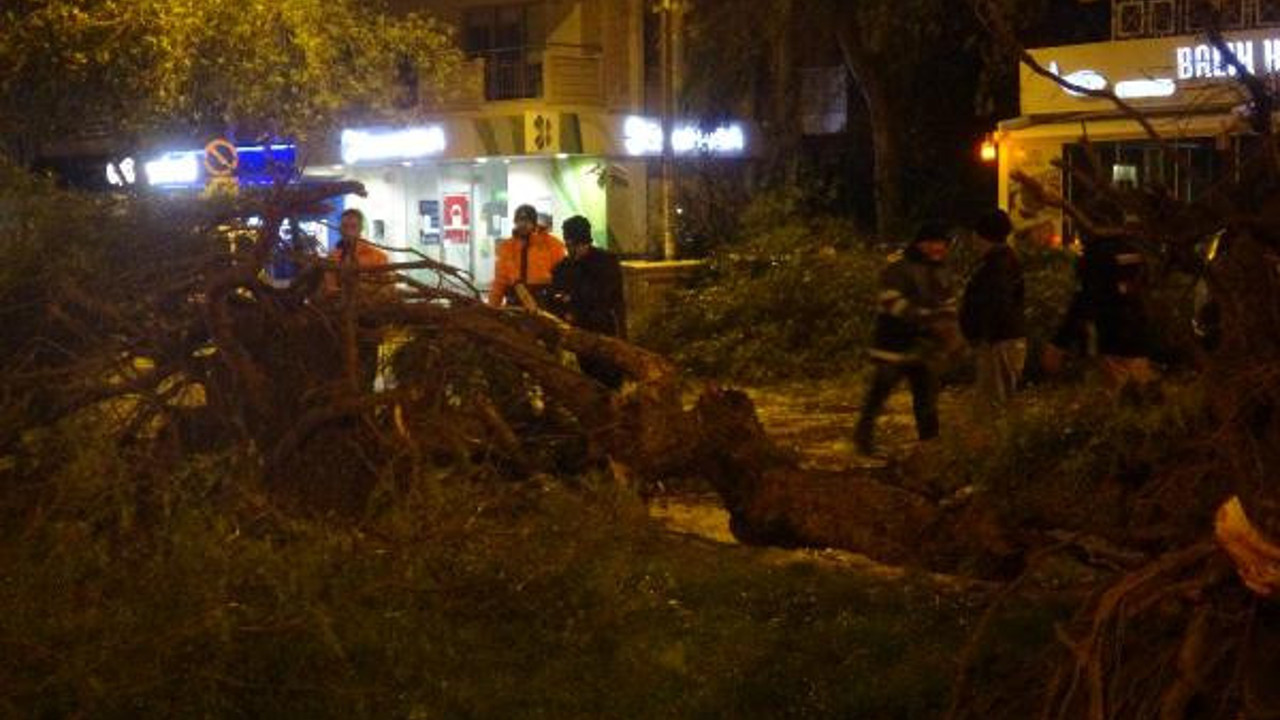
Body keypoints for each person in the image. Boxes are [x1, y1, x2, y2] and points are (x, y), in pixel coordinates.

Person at [854, 223, 959, 458]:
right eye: (933, 242)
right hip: (893, 344)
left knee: (926, 398)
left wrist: (947, 323)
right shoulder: (898, 269)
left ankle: (930, 446)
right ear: (921, 244)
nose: (938, 248)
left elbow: (948, 302)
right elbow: (892, 302)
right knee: (879, 394)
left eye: (942, 243)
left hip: (924, 348)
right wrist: (928, 318)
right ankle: (863, 438)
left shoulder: (941, 270)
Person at [1042, 213, 1155, 391]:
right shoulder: (1136, 250)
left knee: (1116, 397)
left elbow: (1086, 298)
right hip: (1139, 334)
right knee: (1140, 397)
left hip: (1111, 334)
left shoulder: (1096, 255)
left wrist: (1060, 342)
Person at [960, 209, 1027, 407]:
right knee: (998, 401)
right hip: (1001, 339)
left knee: (995, 404)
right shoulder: (1001, 260)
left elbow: (997, 304)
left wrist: (985, 335)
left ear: (981, 235)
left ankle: (1002, 438)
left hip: (999, 343)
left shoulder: (997, 265)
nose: (972, 239)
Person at [323, 208, 392, 389]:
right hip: (340, 324)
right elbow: (329, 289)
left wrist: (366, 295)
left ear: (361, 228)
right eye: (345, 226)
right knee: (342, 371)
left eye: (353, 226)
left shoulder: (378, 257)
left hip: (368, 323)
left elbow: (388, 288)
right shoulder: (333, 257)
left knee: (367, 369)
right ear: (340, 228)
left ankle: (365, 404)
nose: (348, 230)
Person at [550, 215, 626, 338]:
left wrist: (572, 298)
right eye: (569, 246)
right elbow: (556, 296)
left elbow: (607, 297)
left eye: (576, 245)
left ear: (585, 242)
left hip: (601, 330)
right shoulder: (562, 268)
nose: (572, 250)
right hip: (575, 330)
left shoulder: (605, 262)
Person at [488, 204, 567, 308]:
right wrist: (492, 307)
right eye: (520, 220)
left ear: (534, 223)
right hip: (515, 303)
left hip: (544, 305)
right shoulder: (507, 248)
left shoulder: (551, 245)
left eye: (527, 221)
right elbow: (500, 281)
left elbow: (562, 276)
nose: (523, 224)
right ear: (515, 222)